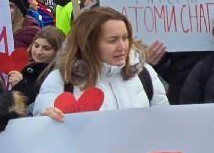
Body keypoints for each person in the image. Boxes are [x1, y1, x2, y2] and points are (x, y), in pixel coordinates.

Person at [33, 7, 168, 120]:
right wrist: (47, 120)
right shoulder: (62, 80)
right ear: (88, 43)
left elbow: (163, 123)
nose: (123, 47)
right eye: (112, 40)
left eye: (125, 38)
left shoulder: (144, 73)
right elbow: (44, 136)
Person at [10, 25, 65, 106]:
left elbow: (38, 102)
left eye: (46, 48)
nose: (38, 52)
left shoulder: (58, 74)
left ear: (58, 51)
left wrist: (19, 85)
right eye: (36, 46)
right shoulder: (28, 68)